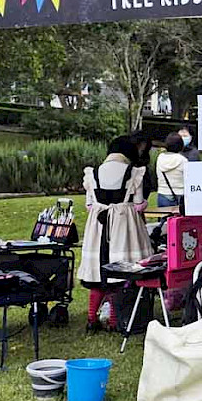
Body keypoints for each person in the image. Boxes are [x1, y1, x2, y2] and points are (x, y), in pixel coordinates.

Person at [78, 135, 153, 330]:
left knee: (98, 272)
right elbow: (138, 204)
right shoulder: (134, 172)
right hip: (124, 226)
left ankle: (91, 318)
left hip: (98, 227)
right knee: (120, 273)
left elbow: (89, 205)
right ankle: (114, 320)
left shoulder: (93, 173)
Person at [155, 133, 188, 207]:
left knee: (163, 214)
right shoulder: (183, 160)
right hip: (180, 194)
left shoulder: (160, 158)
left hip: (163, 193)